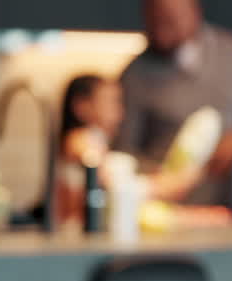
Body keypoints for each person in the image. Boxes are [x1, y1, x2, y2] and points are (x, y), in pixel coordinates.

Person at [113, 0, 232, 208]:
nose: (161, 31)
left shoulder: (229, 55)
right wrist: (159, 178)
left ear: (194, 12)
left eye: (169, 20)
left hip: (227, 208)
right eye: (153, 21)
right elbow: (123, 154)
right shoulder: (135, 76)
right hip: (167, 210)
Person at [54, 74, 201, 228]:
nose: (120, 112)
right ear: (82, 107)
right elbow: (112, 184)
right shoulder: (79, 140)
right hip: (74, 232)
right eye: (111, 102)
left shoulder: (97, 141)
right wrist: (163, 186)